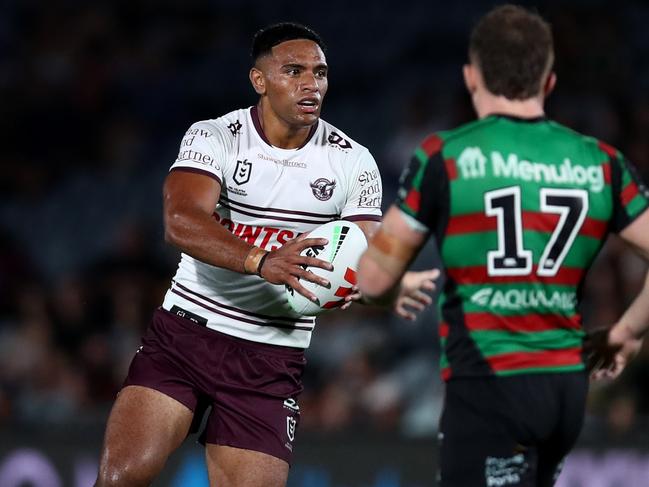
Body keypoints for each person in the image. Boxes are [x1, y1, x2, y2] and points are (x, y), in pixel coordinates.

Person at [94, 22, 437, 487]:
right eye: (293, 71)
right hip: (188, 333)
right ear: (259, 80)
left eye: (319, 72)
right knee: (122, 478)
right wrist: (261, 260)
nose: (310, 83)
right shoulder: (217, 136)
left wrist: (384, 283)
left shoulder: (353, 161)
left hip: (272, 356)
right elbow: (179, 220)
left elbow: (360, 261)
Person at [357, 5, 649, 487]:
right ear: (549, 82)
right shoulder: (602, 163)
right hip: (563, 392)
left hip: (490, 385)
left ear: (472, 78)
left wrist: (391, 288)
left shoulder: (444, 156)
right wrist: (628, 333)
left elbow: (372, 279)